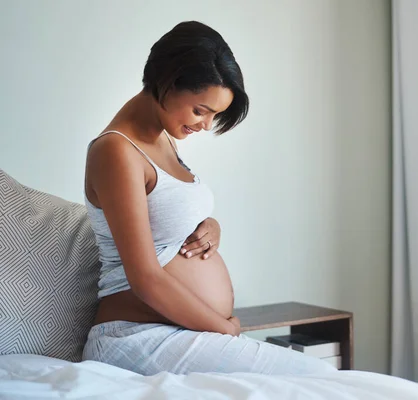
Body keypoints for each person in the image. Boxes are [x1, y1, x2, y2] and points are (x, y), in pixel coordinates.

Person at [82, 21, 335, 376]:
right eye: (201, 110)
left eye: (214, 115)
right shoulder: (116, 151)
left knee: (318, 380)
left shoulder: (163, 138)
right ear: (167, 81)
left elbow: (165, 222)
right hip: (135, 336)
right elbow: (145, 277)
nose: (205, 125)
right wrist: (225, 327)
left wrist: (210, 227)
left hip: (178, 330)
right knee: (317, 378)